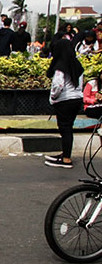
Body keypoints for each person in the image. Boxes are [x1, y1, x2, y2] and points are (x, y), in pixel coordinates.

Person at [45, 39, 84, 169]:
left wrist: (53, 97)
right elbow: (80, 83)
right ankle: (65, 154)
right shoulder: (76, 64)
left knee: (64, 128)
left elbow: (58, 85)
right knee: (68, 128)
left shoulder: (61, 65)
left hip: (65, 100)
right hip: (77, 99)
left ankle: (66, 159)